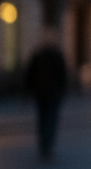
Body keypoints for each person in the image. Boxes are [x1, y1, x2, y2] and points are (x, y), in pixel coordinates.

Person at [23, 30, 68, 162]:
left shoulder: (38, 56)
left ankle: (44, 145)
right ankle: (47, 145)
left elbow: (29, 75)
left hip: (41, 93)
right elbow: (63, 75)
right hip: (52, 94)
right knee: (51, 119)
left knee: (43, 119)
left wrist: (28, 92)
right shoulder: (56, 56)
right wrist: (62, 90)